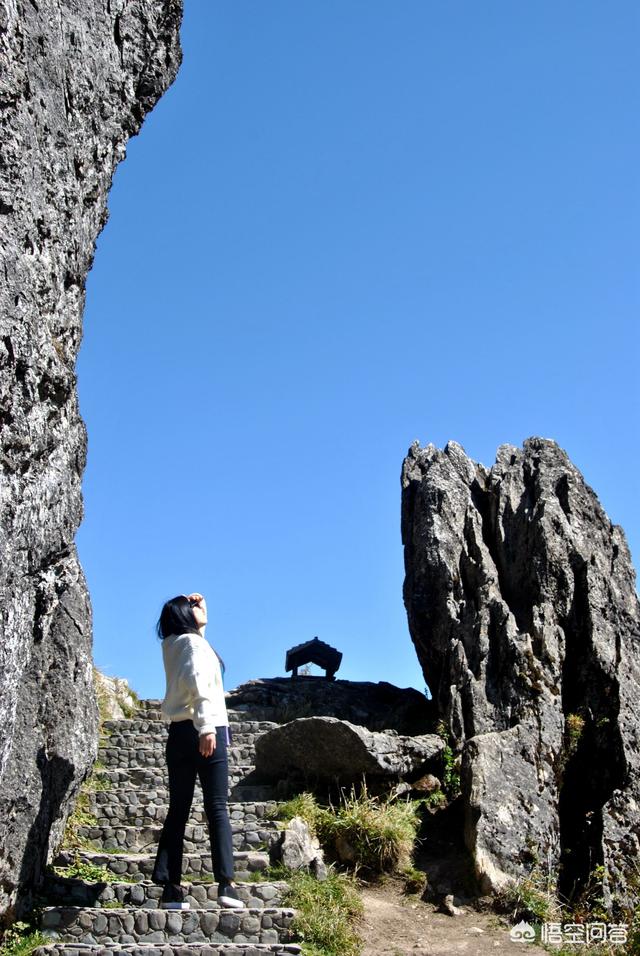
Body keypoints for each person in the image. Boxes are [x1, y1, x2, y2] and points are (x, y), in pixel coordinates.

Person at [151, 592, 245, 910]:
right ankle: (227, 886)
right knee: (217, 807)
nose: (199, 609)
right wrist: (206, 727)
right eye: (192, 608)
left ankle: (171, 889)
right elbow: (199, 682)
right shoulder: (193, 646)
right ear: (185, 616)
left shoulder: (173, 645)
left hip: (177, 732)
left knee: (178, 809)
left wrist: (199, 615)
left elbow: (195, 658)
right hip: (206, 729)